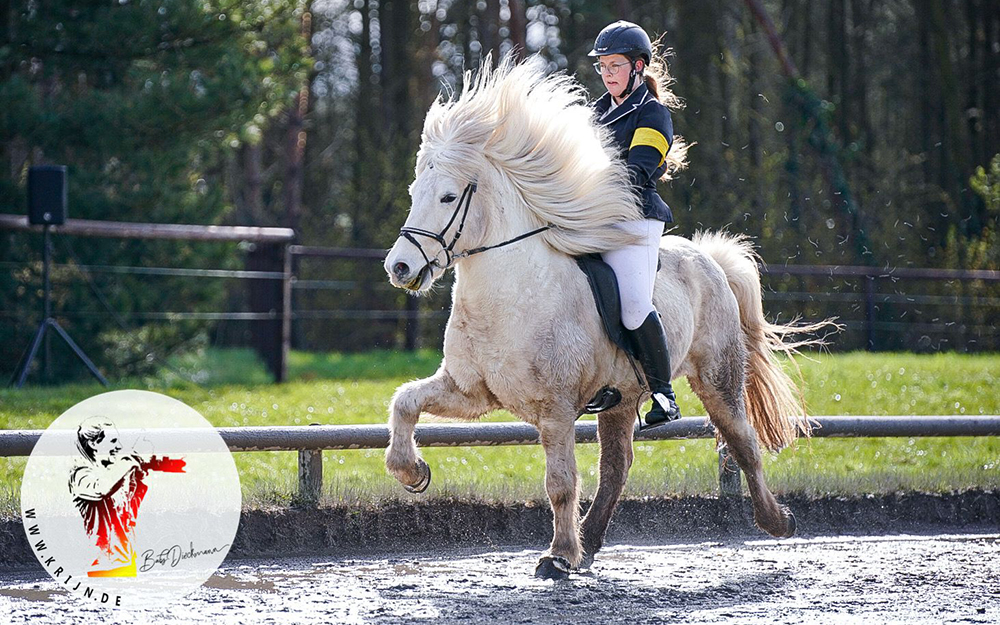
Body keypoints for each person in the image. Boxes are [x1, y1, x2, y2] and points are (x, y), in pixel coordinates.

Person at [588, 20, 690, 427]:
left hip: (635, 222)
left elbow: (637, 175)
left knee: (632, 308)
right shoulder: (592, 113)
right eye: (603, 66)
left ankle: (664, 394)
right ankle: (601, 377)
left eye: (614, 65)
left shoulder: (654, 114)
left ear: (637, 66)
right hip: (593, 222)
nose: (607, 73)